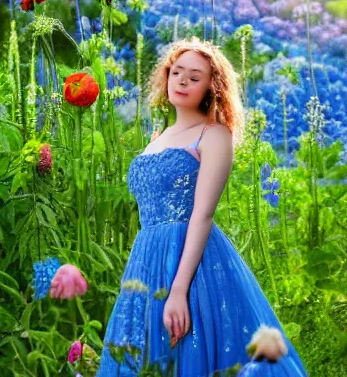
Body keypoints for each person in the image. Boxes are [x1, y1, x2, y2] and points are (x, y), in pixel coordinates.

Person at [95, 37, 308, 376]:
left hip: (194, 263)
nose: (182, 81)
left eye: (194, 77)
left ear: (212, 87)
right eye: (176, 72)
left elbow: (203, 214)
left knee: (194, 349)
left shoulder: (213, 135)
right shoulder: (157, 137)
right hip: (147, 259)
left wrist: (179, 290)